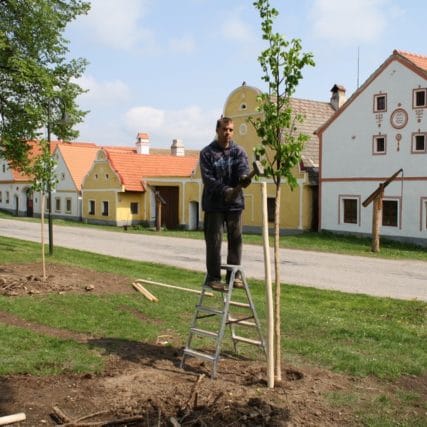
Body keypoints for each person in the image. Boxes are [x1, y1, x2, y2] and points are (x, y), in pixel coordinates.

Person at [199, 117, 251, 291]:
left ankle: (233, 276)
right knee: (214, 241)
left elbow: (243, 168)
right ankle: (213, 278)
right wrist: (225, 190)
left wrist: (244, 178)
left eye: (230, 130)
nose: (227, 132)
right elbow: (208, 179)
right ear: (217, 130)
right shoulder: (207, 153)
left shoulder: (239, 151)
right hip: (214, 204)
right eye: (224, 129)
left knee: (236, 240)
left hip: (234, 205)